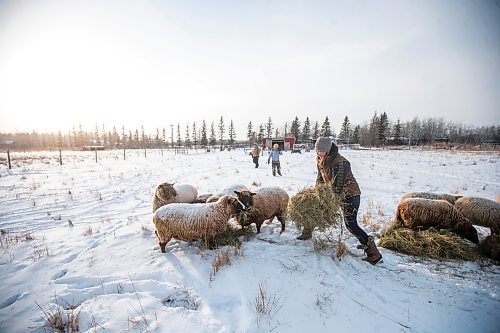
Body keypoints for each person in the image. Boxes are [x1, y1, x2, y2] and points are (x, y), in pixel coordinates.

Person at [296, 137, 382, 265]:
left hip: (350, 196)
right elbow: (320, 179)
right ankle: (307, 231)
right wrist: (315, 193)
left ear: (328, 150)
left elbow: (337, 187)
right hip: (334, 194)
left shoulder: (341, 163)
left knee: (351, 225)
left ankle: (374, 253)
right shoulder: (321, 159)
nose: (318, 153)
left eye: (321, 151)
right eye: (317, 151)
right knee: (313, 206)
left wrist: (325, 199)